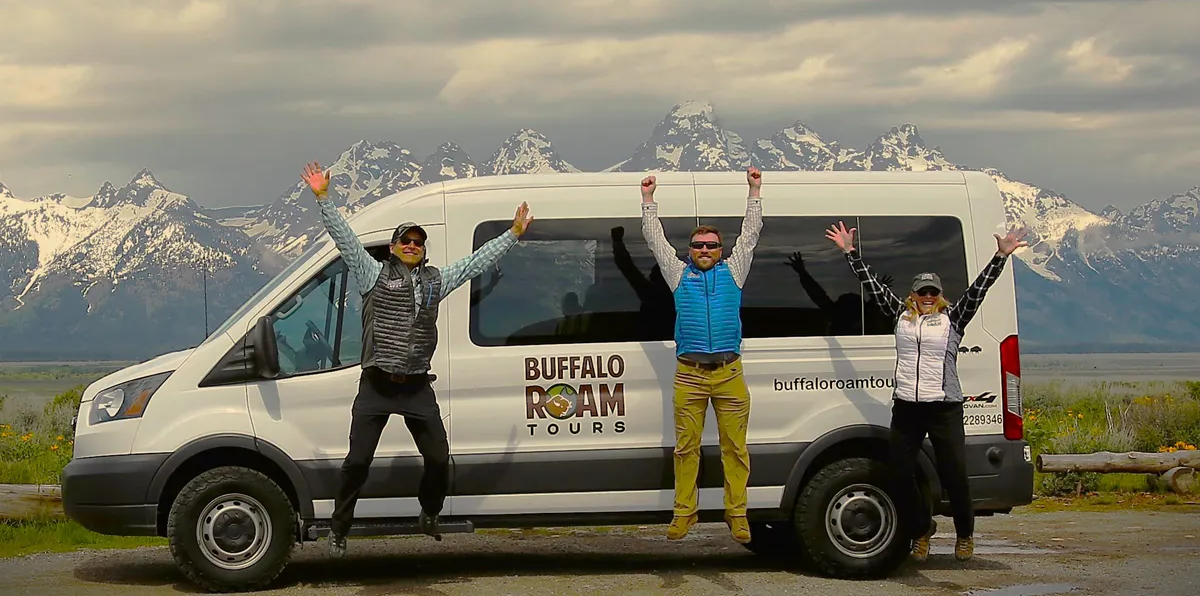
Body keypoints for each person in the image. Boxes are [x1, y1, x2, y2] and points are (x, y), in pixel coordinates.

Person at [300, 161, 534, 557]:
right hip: (376, 384)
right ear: (392, 248)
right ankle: (338, 530)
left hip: (416, 386)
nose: (412, 245)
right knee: (357, 462)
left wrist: (511, 235)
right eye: (405, 241)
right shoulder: (370, 273)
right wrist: (323, 198)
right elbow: (345, 240)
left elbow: (476, 263)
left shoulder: (435, 281)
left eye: (418, 242)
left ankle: (429, 512)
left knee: (439, 458)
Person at [823, 220, 1027, 563]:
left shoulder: (954, 320)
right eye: (922, 292)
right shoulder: (899, 317)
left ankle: (964, 534)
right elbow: (870, 284)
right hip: (907, 408)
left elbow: (980, 288)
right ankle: (921, 530)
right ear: (913, 296)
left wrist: (1000, 257)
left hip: (944, 407)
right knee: (899, 475)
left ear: (940, 296)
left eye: (934, 292)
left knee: (954, 475)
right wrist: (851, 252)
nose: (928, 297)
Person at [640, 167, 763, 543]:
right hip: (689, 374)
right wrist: (648, 201)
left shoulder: (734, 271)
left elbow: (751, 234)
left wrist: (754, 190)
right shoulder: (679, 274)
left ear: (720, 251)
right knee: (685, 447)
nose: (705, 250)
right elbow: (655, 241)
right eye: (698, 245)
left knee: (735, 448)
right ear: (689, 250)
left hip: (729, 372)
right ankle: (684, 513)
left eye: (711, 245)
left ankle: (737, 513)